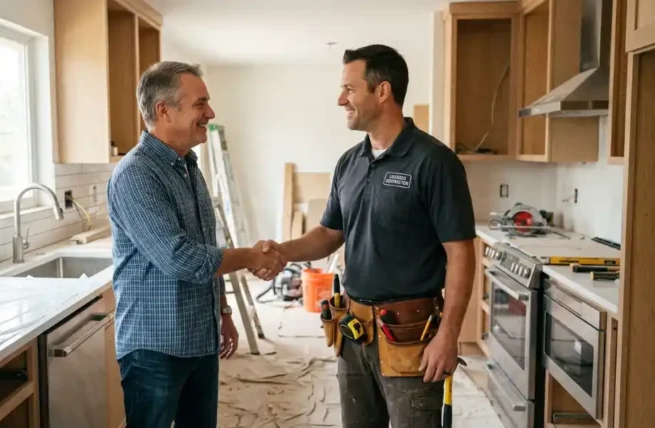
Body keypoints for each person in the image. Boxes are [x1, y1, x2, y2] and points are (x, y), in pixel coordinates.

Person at [253, 45, 476, 427]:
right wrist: (280, 251)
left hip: (410, 334)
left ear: (383, 91)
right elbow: (328, 233)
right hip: (354, 331)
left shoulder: (434, 162)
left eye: (349, 89)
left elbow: (460, 254)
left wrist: (449, 336)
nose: (341, 99)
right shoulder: (349, 162)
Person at [107, 61, 286, 428]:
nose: (211, 112)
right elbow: (181, 258)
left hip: (198, 337)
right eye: (200, 104)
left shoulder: (188, 166)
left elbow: (206, 244)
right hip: (155, 348)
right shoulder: (137, 175)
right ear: (164, 110)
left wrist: (222, 311)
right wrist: (252, 256)